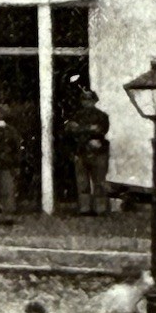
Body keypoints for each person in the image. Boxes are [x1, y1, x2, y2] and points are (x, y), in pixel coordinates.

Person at [63, 88, 111, 217]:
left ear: (94, 101)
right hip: (81, 152)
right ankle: (84, 209)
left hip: (98, 152)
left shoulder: (102, 116)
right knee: (82, 182)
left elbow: (100, 130)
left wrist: (80, 129)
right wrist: (89, 129)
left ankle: (100, 209)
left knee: (99, 182)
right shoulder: (76, 116)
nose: (87, 102)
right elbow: (69, 131)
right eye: (84, 100)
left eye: (89, 100)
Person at [0, 109, 23, 227]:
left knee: (7, 189)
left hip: (6, 164)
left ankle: (7, 216)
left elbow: (16, 148)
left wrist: (16, 164)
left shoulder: (10, 131)